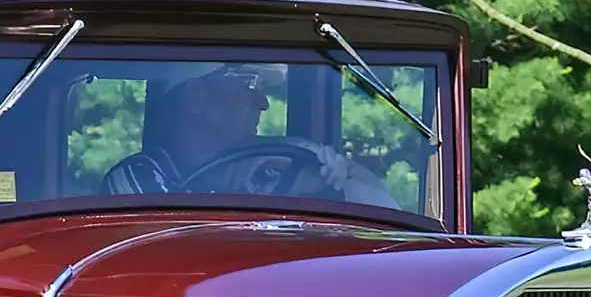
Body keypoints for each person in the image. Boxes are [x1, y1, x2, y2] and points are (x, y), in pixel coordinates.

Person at [102, 63, 397, 208]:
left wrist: (335, 174)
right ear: (195, 97)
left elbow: (383, 212)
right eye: (249, 84)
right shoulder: (136, 178)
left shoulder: (267, 170)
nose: (263, 102)